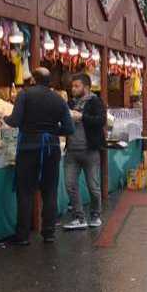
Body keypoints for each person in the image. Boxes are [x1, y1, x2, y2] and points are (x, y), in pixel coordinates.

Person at [4, 67, 74, 244]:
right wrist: (52, 131)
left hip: (28, 147)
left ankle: (22, 236)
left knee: (25, 192)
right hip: (51, 148)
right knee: (50, 191)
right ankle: (49, 233)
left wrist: (4, 117)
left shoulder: (24, 95)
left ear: (34, 80)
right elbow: (69, 128)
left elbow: (15, 121)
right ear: (49, 81)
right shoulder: (59, 99)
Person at [62, 73, 106, 230]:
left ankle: (95, 215)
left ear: (86, 88)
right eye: (72, 86)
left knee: (93, 187)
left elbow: (101, 120)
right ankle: (78, 217)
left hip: (90, 151)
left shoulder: (95, 102)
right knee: (70, 185)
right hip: (71, 151)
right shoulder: (69, 103)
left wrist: (81, 117)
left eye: (76, 86)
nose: (73, 89)